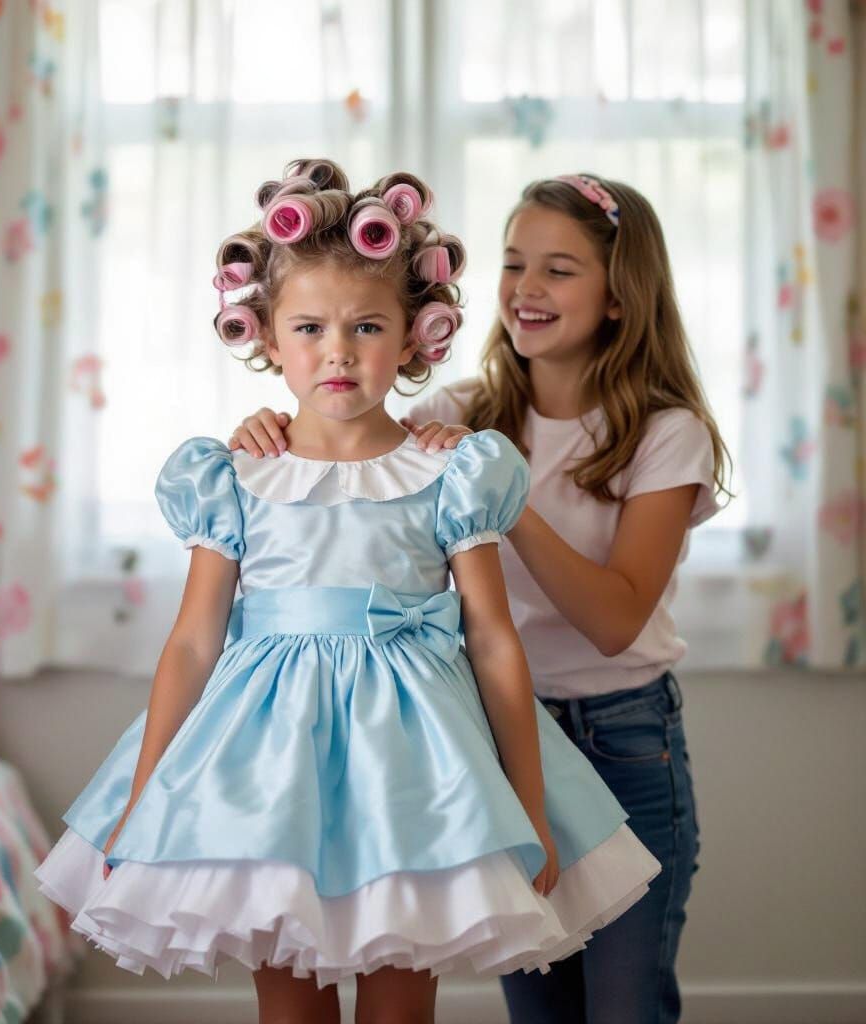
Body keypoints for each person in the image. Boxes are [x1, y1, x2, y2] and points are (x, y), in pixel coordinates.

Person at [35, 161, 660, 1024]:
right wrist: (144, 799)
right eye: (309, 327)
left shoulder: (453, 469)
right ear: (266, 338)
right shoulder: (236, 475)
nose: (337, 351)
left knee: (399, 1008)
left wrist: (526, 808)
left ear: (413, 338)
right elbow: (191, 643)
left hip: (414, 782)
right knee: (287, 1007)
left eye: (367, 326)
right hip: (262, 780)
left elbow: (492, 639)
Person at [229, 172, 730, 1024]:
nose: (527, 289)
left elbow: (614, 621)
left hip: (622, 738)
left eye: (559, 269)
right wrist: (261, 432)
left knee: (624, 1006)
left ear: (620, 296)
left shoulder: (664, 433)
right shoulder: (460, 409)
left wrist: (500, 487)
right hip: (497, 732)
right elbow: (350, 444)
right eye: (514, 263)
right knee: (535, 1007)